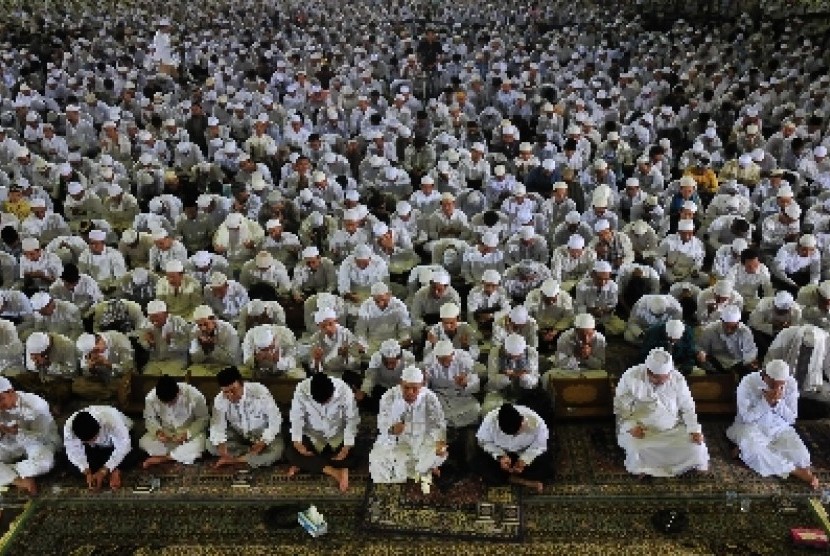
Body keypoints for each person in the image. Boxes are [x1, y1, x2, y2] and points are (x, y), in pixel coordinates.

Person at [613, 348, 709, 478]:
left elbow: (688, 407)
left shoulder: (677, 379)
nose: (662, 381)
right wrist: (631, 427)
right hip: (643, 431)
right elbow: (621, 408)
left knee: (697, 447)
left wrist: (694, 430)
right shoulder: (631, 377)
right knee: (637, 448)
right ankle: (645, 468)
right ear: (648, 371)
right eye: (657, 378)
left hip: (673, 429)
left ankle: (684, 465)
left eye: (666, 377)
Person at [726, 360, 819, 489]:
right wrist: (765, 403)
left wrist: (777, 403)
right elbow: (746, 417)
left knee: (802, 457)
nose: (777, 388)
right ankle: (795, 471)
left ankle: (747, 452)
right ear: (765, 376)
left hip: (779, 427)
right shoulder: (747, 382)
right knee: (755, 452)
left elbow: (792, 418)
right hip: (751, 427)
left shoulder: (791, 384)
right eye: (774, 384)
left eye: (781, 385)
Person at [369, 366, 448, 492]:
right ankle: (423, 469)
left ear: (422, 385)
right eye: (406, 387)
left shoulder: (430, 398)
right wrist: (391, 429)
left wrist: (440, 441)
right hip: (397, 441)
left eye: (415, 388)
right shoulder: (389, 397)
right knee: (376, 459)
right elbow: (381, 423)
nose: (410, 392)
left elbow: (439, 424)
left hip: (422, 439)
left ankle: (423, 467)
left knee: (440, 452)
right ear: (401, 384)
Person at [287, 373, 360, 492]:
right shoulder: (301, 390)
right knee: (291, 452)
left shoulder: (344, 389)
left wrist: (346, 446)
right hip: (313, 436)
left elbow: (352, 419)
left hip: (337, 436)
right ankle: (335, 471)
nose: (324, 405)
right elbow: (296, 418)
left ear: (332, 390)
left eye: (328, 401)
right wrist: (298, 443)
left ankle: (309, 465)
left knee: (356, 452)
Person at [207, 366, 284, 469]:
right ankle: (250, 456)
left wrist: (263, 442)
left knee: (277, 450)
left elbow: (275, 419)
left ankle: (235, 460)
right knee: (210, 445)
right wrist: (221, 445)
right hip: (239, 434)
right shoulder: (220, 400)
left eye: (233, 390)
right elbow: (217, 425)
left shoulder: (259, 391)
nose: (230, 395)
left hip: (262, 434)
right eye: (226, 392)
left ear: (242, 384)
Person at [474, 403, 553, 493]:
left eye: (517, 433)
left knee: (547, 466)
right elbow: (483, 441)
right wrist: (501, 456)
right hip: (502, 452)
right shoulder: (489, 421)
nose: (514, 436)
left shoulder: (535, 422)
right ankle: (523, 481)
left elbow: (540, 445)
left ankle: (507, 478)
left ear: (522, 420)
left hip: (524, 451)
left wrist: (524, 460)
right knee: (478, 463)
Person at [0, 377, 60, 495]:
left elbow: (42, 437)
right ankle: (19, 480)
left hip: (37, 443)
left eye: (1, 399)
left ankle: (7, 473)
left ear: (11, 391)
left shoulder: (36, 404)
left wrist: (17, 433)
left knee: (45, 461)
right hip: (10, 442)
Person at [63, 405, 143, 491]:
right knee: (73, 466)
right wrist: (87, 471)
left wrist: (104, 470)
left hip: (115, 444)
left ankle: (113, 470)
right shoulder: (69, 427)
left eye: (94, 439)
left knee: (131, 455)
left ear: (99, 428)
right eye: (87, 441)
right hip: (94, 450)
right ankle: (108, 469)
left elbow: (124, 445)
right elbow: (73, 450)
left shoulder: (111, 419)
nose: (91, 442)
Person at [139, 375, 209, 468]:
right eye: (165, 403)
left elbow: (203, 418)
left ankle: (164, 458)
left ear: (178, 392)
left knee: (202, 443)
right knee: (143, 442)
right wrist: (158, 432)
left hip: (189, 433)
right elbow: (149, 419)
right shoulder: (151, 398)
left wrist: (187, 434)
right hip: (167, 434)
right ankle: (179, 455)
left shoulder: (194, 395)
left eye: (172, 402)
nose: (169, 406)